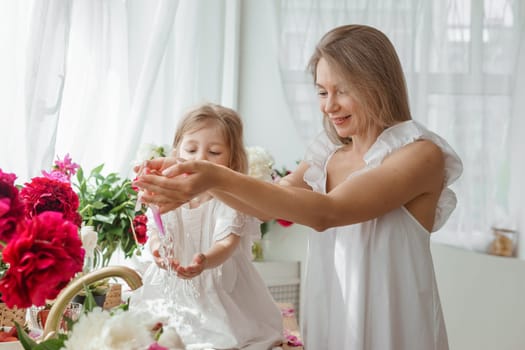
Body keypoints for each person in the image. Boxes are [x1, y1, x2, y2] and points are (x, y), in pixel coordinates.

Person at [134, 25, 463, 350]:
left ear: (378, 84)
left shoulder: (420, 154)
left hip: (395, 331)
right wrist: (193, 177)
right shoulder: (326, 157)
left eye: (342, 90)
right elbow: (264, 206)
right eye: (322, 92)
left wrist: (211, 176)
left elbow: (327, 213)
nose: (328, 105)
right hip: (331, 322)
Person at [131, 103, 284, 350]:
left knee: (217, 337)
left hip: (220, 285)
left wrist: (204, 260)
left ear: (232, 162)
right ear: (176, 151)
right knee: (156, 334)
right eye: (191, 149)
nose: (200, 159)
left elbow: (227, 244)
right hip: (171, 286)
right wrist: (158, 249)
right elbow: (155, 232)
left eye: (214, 152)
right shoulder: (169, 193)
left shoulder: (231, 200)